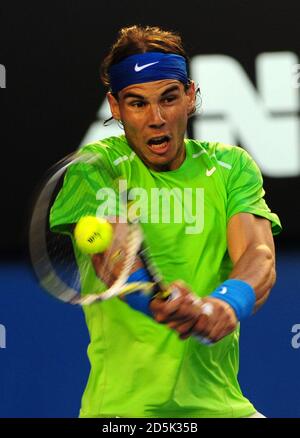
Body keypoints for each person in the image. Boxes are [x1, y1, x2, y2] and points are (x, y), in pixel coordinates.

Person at [50, 25, 281, 418]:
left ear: (190, 96)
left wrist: (222, 306)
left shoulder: (230, 166)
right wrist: (155, 300)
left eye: (169, 98)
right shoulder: (96, 168)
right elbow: (113, 260)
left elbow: (259, 254)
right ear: (116, 107)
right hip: (122, 413)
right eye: (137, 103)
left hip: (222, 408)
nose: (156, 118)